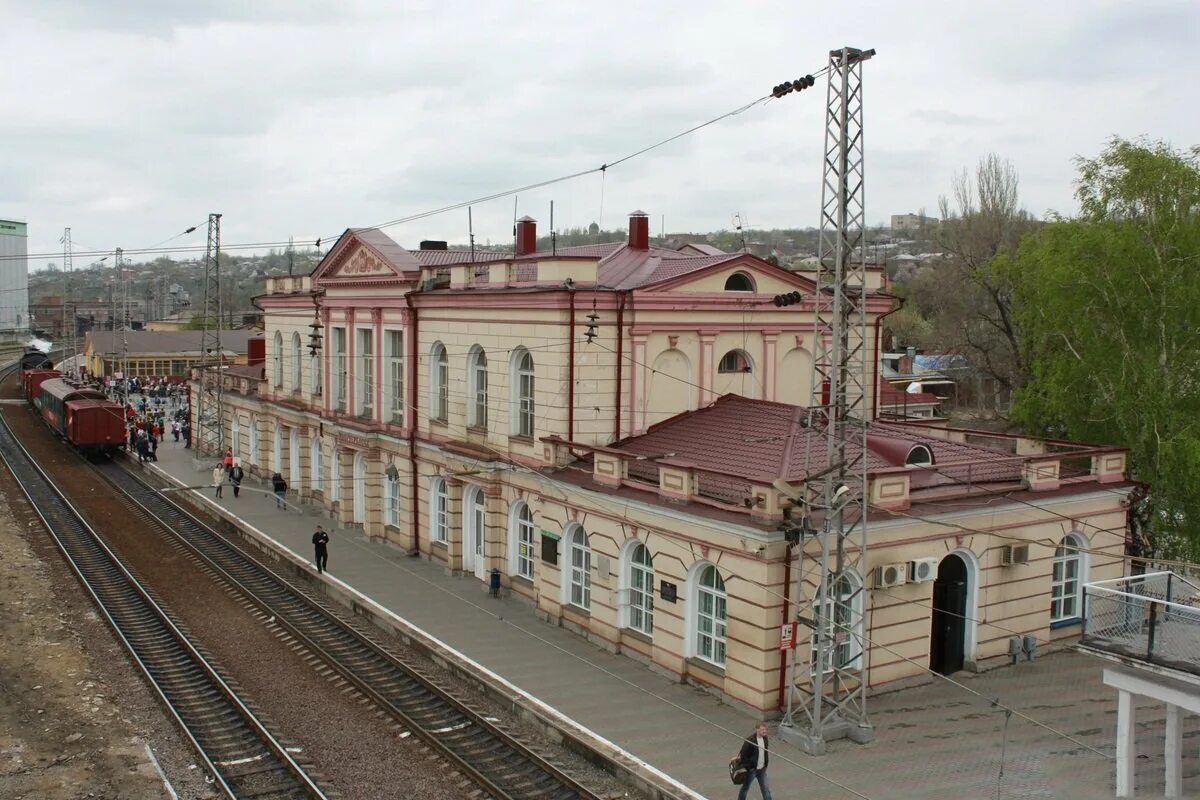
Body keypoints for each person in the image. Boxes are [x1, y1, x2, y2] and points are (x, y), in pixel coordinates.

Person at [736, 722, 771, 800]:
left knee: (766, 790)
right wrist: (749, 767)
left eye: (765, 729)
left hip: (762, 769)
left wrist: (765, 765)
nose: (765, 731)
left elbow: (765, 752)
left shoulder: (765, 738)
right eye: (762, 730)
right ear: (757, 730)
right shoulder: (750, 741)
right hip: (752, 770)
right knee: (745, 788)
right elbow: (743, 756)